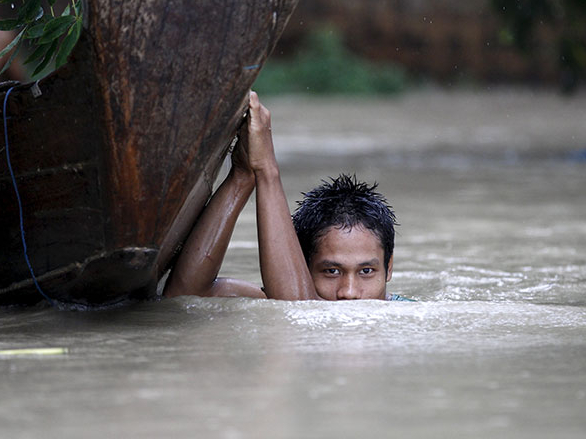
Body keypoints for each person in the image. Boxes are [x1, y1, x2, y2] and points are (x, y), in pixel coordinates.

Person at [164, 91, 405, 301]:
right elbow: (185, 296)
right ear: (301, 266)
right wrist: (242, 176)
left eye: (366, 272)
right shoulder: (284, 294)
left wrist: (267, 169)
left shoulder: (408, 316)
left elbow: (298, 308)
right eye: (331, 271)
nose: (349, 293)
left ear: (389, 267)